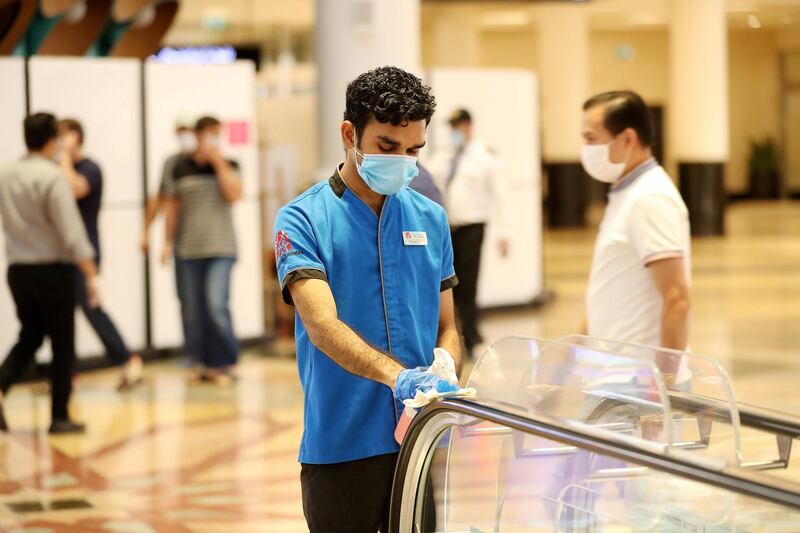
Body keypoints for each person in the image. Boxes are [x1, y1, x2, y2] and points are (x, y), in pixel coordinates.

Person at [273, 66, 461, 533]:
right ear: (348, 134)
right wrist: (397, 377)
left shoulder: (431, 218)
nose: (403, 160)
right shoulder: (302, 220)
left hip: (417, 444)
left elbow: (448, 327)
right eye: (387, 147)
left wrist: (446, 364)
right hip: (341, 445)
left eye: (414, 150)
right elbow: (321, 326)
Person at [580, 91, 691, 384]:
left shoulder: (650, 198)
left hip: (637, 380)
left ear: (627, 139)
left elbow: (676, 297)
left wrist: (664, 388)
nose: (585, 149)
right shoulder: (627, 193)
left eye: (591, 139)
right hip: (615, 374)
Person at [0, 113, 98, 434]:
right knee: (62, 344)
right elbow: (71, 232)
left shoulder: (7, 173)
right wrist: (91, 273)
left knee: (30, 335)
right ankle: (60, 415)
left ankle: (1, 385)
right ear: (53, 140)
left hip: (17, 269)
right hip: (51, 270)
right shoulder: (52, 177)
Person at [57, 119, 143, 391]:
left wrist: (64, 159)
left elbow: (74, 188)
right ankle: (65, 374)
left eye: (64, 136)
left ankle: (128, 360)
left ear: (76, 137)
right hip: (59, 253)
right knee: (60, 315)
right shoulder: (56, 168)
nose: (59, 142)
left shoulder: (89, 169)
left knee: (91, 308)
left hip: (86, 253)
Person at [162, 116, 242, 386]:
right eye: (209, 134)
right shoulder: (180, 166)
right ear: (197, 136)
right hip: (187, 249)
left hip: (221, 247)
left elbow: (234, 194)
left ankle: (225, 361)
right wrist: (166, 243)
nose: (213, 140)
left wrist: (218, 162)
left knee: (215, 304)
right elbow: (172, 208)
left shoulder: (230, 165)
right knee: (192, 310)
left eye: (217, 135)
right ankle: (201, 362)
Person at [428, 108, 510, 356]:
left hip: (473, 227)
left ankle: (471, 336)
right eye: (452, 127)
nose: (456, 132)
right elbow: (428, 178)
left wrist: (504, 233)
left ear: (469, 125)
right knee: (448, 283)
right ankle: (452, 333)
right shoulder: (444, 155)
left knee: (468, 284)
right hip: (447, 228)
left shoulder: (485, 156)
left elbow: (500, 196)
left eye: (459, 126)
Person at [140, 119, 197, 253]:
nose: (185, 137)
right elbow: (160, 197)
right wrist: (146, 233)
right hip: (182, 238)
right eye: (181, 133)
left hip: (214, 238)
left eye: (188, 132)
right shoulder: (172, 162)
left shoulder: (214, 162)